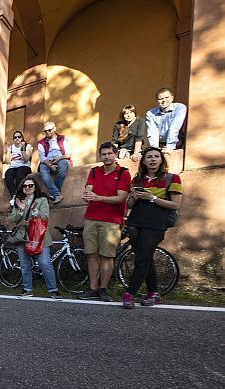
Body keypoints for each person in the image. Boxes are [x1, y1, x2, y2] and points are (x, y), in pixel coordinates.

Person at [122, 147, 182, 308]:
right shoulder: (138, 180)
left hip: (156, 224)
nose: (153, 159)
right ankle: (153, 293)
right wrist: (133, 197)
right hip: (135, 222)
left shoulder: (172, 178)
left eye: (156, 156)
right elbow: (129, 204)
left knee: (141, 259)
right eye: (149, 157)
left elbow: (175, 204)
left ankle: (129, 294)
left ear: (161, 160)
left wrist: (152, 198)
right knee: (146, 257)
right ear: (144, 161)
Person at [78, 142, 131, 302]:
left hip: (112, 220)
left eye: (109, 154)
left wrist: (98, 197)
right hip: (91, 217)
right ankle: (93, 288)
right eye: (104, 154)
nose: (107, 157)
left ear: (115, 155)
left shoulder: (123, 173)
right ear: (100, 156)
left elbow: (121, 197)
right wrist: (87, 195)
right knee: (91, 254)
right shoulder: (94, 171)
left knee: (107, 256)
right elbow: (89, 188)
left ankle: (104, 288)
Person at [8, 174, 61, 298]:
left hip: (39, 236)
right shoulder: (18, 200)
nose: (27, 188)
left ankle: (53, 289)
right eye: (25, 186)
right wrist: (21, 211)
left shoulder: (42, 200)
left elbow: (45, 217)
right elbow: (13, 219)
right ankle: (27, 289)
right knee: (24, 264)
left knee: (44, 263)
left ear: (35, 187)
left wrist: (32, 210)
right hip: (23, 236)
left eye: (30, 185)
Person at [37, 121, 73, 204]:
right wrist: (50, 165)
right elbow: (42, 157)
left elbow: (69, 154)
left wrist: (58, 158)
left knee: (63, 164)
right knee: (42, 169)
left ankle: (55, 193)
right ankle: (57, 194)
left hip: (61, 158)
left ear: (54, 129)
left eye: (49, 130)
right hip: (48, 161)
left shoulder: (63, 138)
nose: (47, 132)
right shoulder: (41, 143)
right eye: (45, 131)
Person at [146, 88, 187, 152]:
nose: (164, 100)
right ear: (157, 101)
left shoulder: (180, 108)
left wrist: (170, 146)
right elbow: (152, 131)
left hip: (176, 143)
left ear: (172, 98)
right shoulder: (151, 113)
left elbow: (174, 127)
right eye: (161, 99)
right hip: (160, 143)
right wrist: (155, 148)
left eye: (166, 97)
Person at [4, 130, 33, 203]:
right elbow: (7, 161)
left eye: (19, 137)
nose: (17, 138)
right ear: (13, 139)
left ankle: (20, 196)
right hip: (13, 167)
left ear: (22, 138)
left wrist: (22, 149)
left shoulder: (27, 146)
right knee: (8, 174)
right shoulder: (11, 148)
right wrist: (8, 151)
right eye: (15, 137)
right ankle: (14, 196)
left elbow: (26, 160)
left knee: (20, 174)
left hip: (24, 166)